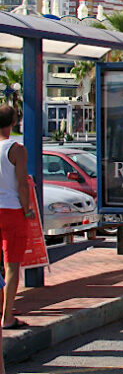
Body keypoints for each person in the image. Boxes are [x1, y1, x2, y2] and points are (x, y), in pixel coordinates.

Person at [0, 104, 32, 331]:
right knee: (12, 266)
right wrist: (27, 209)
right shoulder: (16, 149)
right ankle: (7, 316)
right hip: (12, 211)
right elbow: (22, 185)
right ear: (13, 122)